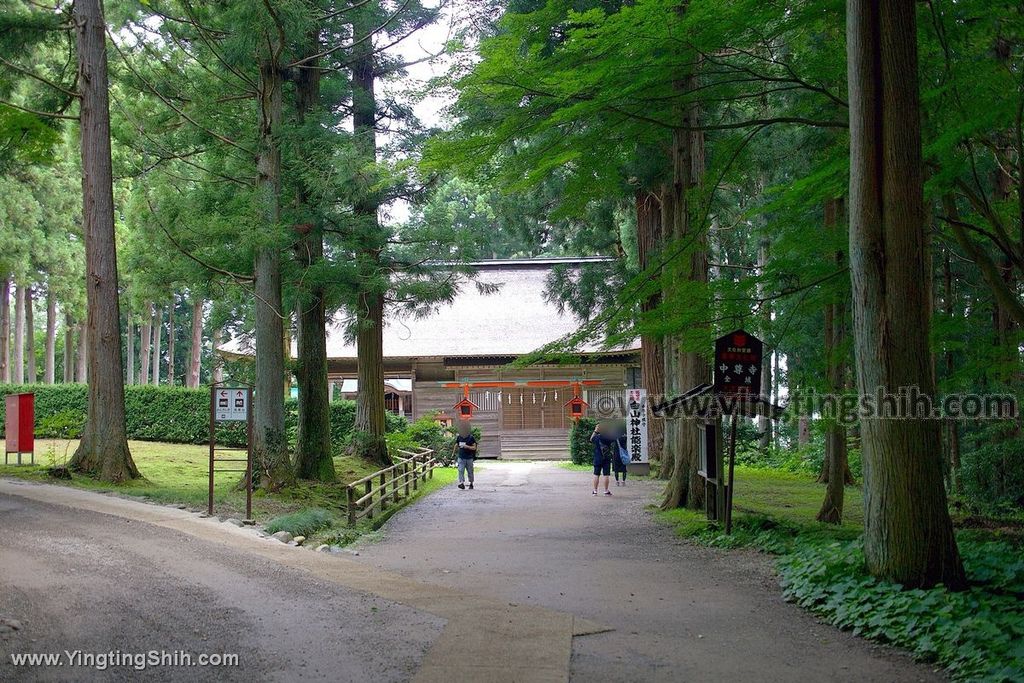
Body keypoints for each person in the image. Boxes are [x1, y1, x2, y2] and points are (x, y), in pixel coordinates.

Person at [590, 422, 615, 496]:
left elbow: (591, 439)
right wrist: (610, 431)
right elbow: (614, 438)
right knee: (606, 475)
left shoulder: (596, 437)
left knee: (596, 474)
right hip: (606, 458)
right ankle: (606, 491)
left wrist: (595, 430)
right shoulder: (608, 437)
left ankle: (595, 491)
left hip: (597, 458)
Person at [455, 420, 477, 490]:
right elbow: (456, 444)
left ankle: (471, 483)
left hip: (469, 458)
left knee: (470, 471)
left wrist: (467, 447)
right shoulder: (459, 437)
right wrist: (454, 452)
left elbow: (474, 447)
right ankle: (461, 483)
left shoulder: (471, 437)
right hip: (461, 457)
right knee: (460, 470)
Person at [612, 420, 629, 486]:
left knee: (616, 468)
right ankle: (623, 481)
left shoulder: (615, 436)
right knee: (624, 467)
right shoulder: (625, 436)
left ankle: (617, 481)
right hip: (623, 453)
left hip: (616, 453)